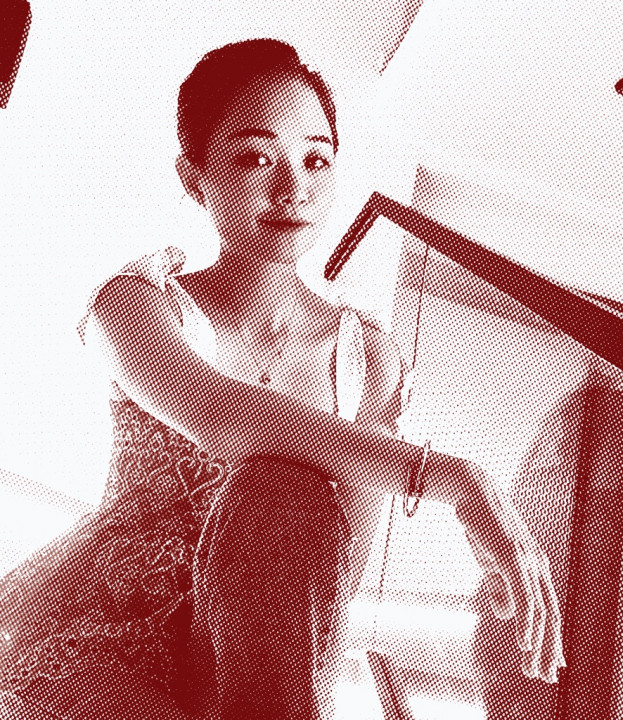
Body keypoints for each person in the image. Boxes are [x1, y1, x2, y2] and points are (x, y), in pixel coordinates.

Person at [0, 39, 565, 719]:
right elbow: (224, 417)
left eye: (316, 160)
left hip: (258, 662)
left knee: (281, 494)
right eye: (256, 158)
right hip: (104, 643)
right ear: (193, 177)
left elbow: (340, 576)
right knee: (271, 473)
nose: (293, 188)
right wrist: (448, 476)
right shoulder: (138, 304)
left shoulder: (368, 358)